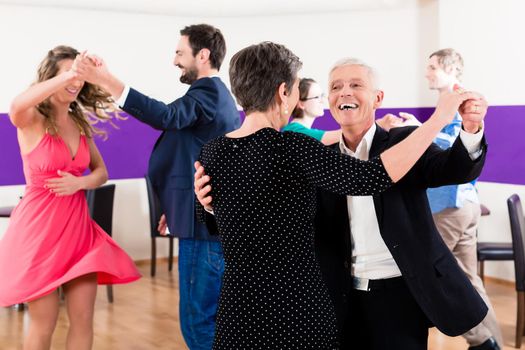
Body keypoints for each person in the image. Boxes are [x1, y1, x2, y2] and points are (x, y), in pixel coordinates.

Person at [194, 41, 485, 349]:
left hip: (392, 296)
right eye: (335, 87)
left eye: (356, 84)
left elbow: (454, 169)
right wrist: (439, 117)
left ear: (378, 98)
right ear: (284, 93)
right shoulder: (306, 152)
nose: (344, 92)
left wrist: (469, 129)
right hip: (321, 300)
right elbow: (369, 177)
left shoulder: (214, 150)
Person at [75, 24, 240, 350]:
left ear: (203, 55)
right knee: (209, 321)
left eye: (180, 53)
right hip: (199, 221)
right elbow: (189, 153)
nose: (174, 61)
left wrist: (107, 80)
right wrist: (173, 209)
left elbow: (165, 116)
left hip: (202, 231)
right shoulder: (214, 97)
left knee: (197, 325)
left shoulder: (208, 93)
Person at [0, 45, 141, 350]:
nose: (76, 82)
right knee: (44, 322)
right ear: (49, 78)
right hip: (39, 236)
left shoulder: (79, 125)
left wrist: (81, 184)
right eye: (67, 74)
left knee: (83, 319)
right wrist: (68, 74)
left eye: (79, 76)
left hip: (79, 235)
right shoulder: (31, 119)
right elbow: (15, 104)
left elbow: (101, 172)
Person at [377, 48, 502, 350]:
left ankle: (481, 341)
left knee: (427, 276)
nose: (427, 73)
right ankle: (491, 341)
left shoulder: (458, 101)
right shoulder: (446, 103)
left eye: (432, 67)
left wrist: (417, 131)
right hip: (461, 205)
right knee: (469, 279)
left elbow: (451, 152)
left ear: (449, 68)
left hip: (452, 205)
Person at [283, 77, 341, 144]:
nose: (322, 101)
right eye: (316, 97)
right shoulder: (294, 130)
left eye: (322, 95)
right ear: (301, 104)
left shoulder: (301, 129)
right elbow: (345, 135)